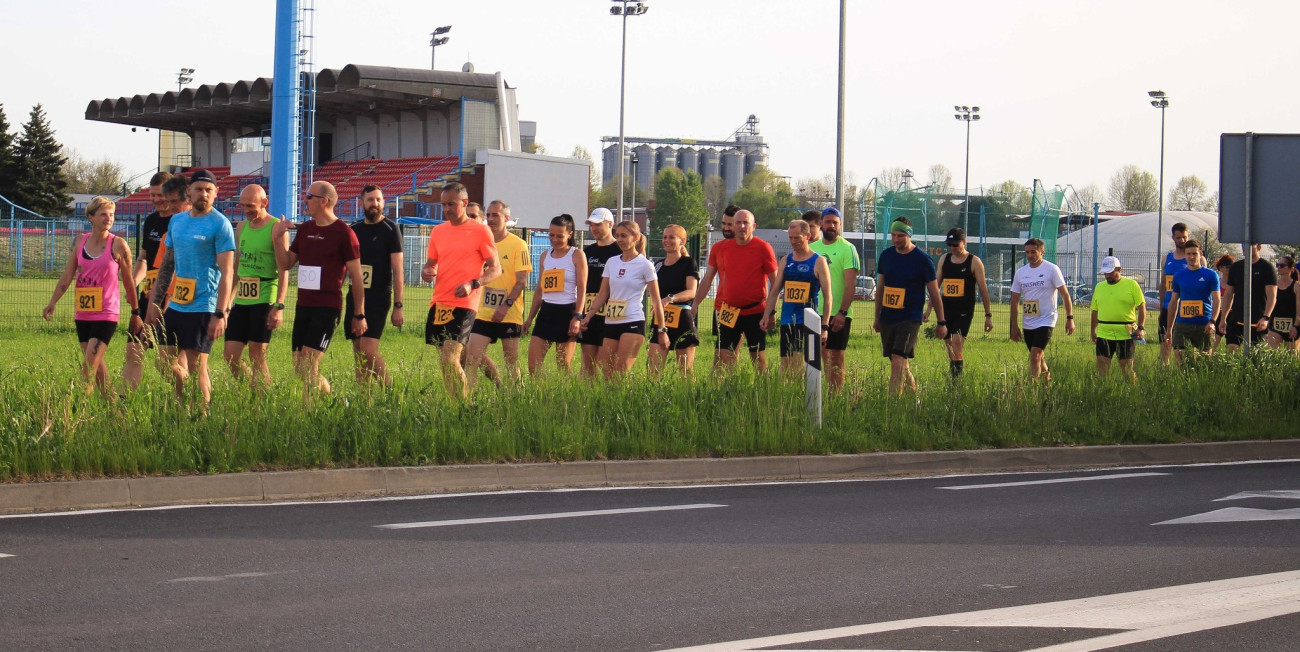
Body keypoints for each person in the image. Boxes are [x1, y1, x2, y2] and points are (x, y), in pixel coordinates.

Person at [145, 169, 236, 406]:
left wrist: (221, 313)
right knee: (163, 362)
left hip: (204, 305)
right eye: (199, 189)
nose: (203, 194)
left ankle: (201, 413)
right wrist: (156, 303)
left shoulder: (220, 224)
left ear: (216, 194)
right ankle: (186, 402)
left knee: (197, 366)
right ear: (189, 191)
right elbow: (167, 265)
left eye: (209, 190)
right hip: (177, 304)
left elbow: (228, 273)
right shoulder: (177, 221)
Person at [272, 180, 368, 398]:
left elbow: (356, 277)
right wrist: (277, 239)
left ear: (324, 201)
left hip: (327, 307)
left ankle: (309, 414)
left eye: (308, 196)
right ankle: (328, 398)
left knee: (308, 364)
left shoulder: (344, 233)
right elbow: (286, 263)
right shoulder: (305, 229)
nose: (304, 200)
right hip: (303, 305)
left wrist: (359, 314)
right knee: (300, 368)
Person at [43, 197, 141, 397]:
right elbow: (68, 274)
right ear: (91, 217)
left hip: (106, 313)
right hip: (84, 312)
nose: (108, 218)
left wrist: (135, 312)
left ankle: (78, 413)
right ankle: (115, 412)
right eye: (103, 214)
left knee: (88, 367)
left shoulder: (119, 245)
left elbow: (129, 281)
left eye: (111, 215)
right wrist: (53, 301)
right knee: (98, 369)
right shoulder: (80, 241)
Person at [420, 182, 501, 398]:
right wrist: (427, 271)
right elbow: (431, 264)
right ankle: (456, 403)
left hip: (465, 303)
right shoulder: (438, 231)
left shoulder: (481, 231)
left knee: (450, 358)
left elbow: (496, 269)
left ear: (464, 203)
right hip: (439, 302)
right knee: (449, 362)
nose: (446, 209)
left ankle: (464, 408)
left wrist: (473, 283)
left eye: (451, 204)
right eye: (443, 204)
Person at [580, 220, 668, 378]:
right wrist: (588, 316)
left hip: (633, 322)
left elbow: (656, 300)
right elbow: (602, 294)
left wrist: (662, 330)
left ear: (635, 237)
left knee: (620, 372)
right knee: (606, 372)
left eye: (623, 236)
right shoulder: (611, 262)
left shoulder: (645, 265)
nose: (619, 239)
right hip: (611, 322)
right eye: (617, 235)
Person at [694, 209, 777, 372]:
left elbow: (776, 282)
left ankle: (764, 394)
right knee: (723, 356)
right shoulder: (723, 248)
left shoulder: (763, 248)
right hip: (729, 311)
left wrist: (770, 312)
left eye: (746, 223)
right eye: (738, 223)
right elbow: (707, 279)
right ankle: (731, 392)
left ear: (754, 226)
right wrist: (695, 303)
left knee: (758, 360)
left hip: (755, 312)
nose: (741, 226)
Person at [222, 184, 288, 389]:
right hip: (242, 300)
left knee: (256, 355)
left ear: (264, 203)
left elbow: (284, 269)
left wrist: (279, 306)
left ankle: (260, 400)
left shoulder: (276, 227)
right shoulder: (241, 227)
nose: (246, 210)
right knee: (230, 356)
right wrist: (227, 303)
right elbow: (236, 267)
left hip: (265, 298)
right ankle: (253, 388)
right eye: (243, 206)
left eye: (251, 206)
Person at [874, 217, 947, 394]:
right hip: (888, 316)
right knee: (898, 361)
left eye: (900, 235)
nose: (896, 239)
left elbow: (934, 292)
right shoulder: (886, 256)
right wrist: (877, 317)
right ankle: (914, 400)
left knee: (899, 358)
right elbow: (881, 288)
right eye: (893, 235)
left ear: (909, 235)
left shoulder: (922, 259)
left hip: (910, 317)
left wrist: (941, 321)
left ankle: (893, 405)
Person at [465, 200, 531, 387]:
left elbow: (521, 281)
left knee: (511, 362)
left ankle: (515, 399)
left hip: (509, 314)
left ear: (507, 218)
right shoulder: (481, 243)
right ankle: (468, 402)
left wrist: (506, 305)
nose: (492, 219)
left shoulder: (518, 245)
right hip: (483, 313)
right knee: (472, 359)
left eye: (496, 215)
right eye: (489, 215)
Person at [346, 185, 405, 385]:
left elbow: (398, 271)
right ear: (362, 202)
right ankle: (364, 401)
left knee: (368, 350)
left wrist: (398, 305)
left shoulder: (391, 229)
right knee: (358, 353)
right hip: (354, 297)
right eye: (371, 200)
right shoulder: (353, 229)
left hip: (378, 297)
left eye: (379, 200)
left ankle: (392, 392)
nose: (375, 204)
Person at [761, 220, 832, 379]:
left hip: (808, 322)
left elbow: (828, 296)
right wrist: (767, 314)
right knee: (785, 365)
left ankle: (803, 400)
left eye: (797, 238)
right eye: (791, 238)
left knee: (799, 367)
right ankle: (786, 400)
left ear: (807, 236)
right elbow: (774, 291)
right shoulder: (786, 260)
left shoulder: (818, 261)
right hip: (787, 321)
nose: (793, 242)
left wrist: (825, 325)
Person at [122, 171, 173, 390]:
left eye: (160, 195)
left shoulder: (180, 220)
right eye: (152, 195)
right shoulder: (151, 220)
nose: (156, 200)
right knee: (133, 350)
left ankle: (187, 399)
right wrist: (133, 283)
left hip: (172, 296)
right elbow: (144, 258)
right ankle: (124, 401)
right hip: (147, 295)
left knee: (167, 360)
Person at [924, 227, 993, 378]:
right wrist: (929, 309)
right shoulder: (944, 259)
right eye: (950, 244)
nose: (952, 247)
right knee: (950, 348)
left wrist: (988, 316)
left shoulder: (974, 261)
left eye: (956, 244)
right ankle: (954, 379)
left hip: (964, 310)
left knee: (957, 345)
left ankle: (956, 383)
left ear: (964, 242)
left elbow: (983, 290)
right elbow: (936, 287)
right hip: (946, 310)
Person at [523, 214, 586, 375]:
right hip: (546, 313)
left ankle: (566, 398)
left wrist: (577, 317)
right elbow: (539, 291)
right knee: (533, 366)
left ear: (570, 235)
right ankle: (540, 397)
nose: (554, 239)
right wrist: (530, 318)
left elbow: (582, 288)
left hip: (567, 313)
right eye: (551, 235)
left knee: (563, 365)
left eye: (560, 236)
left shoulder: (577, 255)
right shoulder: (545, 256)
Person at [1009, 238, 1074, 383]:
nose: (1030, 255)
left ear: (1042, 252)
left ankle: (1032, 390)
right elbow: (1014, 301)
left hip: (1046, 319)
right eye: (1027, 252)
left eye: (1033, 252)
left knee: (1035, 356)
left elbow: (1065, 294)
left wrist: (1070, 318)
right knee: (1039, 356)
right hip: (1028, 321)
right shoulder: (1021, 273)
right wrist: (1014, 326)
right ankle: (1047, 386)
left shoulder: (1051, 269)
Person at [809, 207, 860, 390]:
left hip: (838, 313)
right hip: (814, 312)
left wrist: (842, 312)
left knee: (836, 357)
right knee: (820, 355)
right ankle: (820, 397)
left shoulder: (848, 249)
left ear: (840, 225)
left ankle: (835, 397)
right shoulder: (812, 249)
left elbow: (850, 285)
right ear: (821, 223)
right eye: (828, 221)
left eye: (835, 223)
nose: (831, 226)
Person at [647, 224, 700, 375]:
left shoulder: (688, 263)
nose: (667, 240)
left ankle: (688, 398)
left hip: (682, 318)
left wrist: (670, 299)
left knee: (685, 373)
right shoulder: (657, 265)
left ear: (682, 240)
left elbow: (691, 291)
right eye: (664, 237)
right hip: (660, 320)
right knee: (653, 371)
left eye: (671, 237)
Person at [578, 207, 623, 377]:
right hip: (590, 313)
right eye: (591, 225)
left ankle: (607, 398)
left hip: (612, 314)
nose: (594, 228)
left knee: (607, 365)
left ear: (610, 224)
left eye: (598, 224)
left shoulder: (619, 250)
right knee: (587, 362)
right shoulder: (587, 252)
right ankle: (587, 399)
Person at [1088, 256, 1146, 381]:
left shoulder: (1132, 285)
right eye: (1105, 273)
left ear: (1119, 269)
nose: (1107, 276)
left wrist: (1140, 327)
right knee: (1102, 369)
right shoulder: (1099, 287)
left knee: (1126, 368)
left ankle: (1132, 392)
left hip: (1125, 333)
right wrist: (1093, 331)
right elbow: (1094, 311)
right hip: (1104, 333)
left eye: (1110, 272)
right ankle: (1102, 393)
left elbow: (1141, 307)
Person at [1166, 240, 1221, 361]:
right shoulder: (1179, 275)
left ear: (1200, 254)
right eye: (1188, 254)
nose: (1191, 257)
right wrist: (1169, 328)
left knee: (1204, 362)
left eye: (1194, 254)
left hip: (1204, 324)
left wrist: (1212, 321)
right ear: (1185, 255)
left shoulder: (1211, 275)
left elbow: (1217, 300)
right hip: (1183, 324)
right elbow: (1174, 302)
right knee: (1180, 357)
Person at [1217, 244, 1277, 353]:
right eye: (1243, 244)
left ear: (1259, 247)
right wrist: (1223, 318)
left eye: (1249, 245)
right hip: (1237, 319)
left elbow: (1272, 296)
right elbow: (1228, 294)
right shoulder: (1236, 267)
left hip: (1257, 321)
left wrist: (1266, 317)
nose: (1245, 247)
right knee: (1231, 352)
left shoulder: (1266, 267)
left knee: (1255, 358)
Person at [1157, 222, 1191, 364]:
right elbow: (1163, 284)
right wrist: (1161, 307)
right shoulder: (1167, 259)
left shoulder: (1195, 259)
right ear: (1173, 238)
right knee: (1165, 342)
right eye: (1178, 237)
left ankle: (1182, 373)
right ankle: (1164, 372)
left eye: (1184, 237)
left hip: (1185, 308)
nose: (1182, 240)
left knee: (1182, 347)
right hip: (1167, 307)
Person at [1265, 255, 1299, 352]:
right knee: (1272, 354)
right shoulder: (1273, 285)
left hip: (1292, 325)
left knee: (1292, 357)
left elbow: (1299, 308)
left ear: (1291, 269)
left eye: (1282, 265)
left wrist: (1296, 326)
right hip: (1275, 324)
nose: (1279, 267)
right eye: (1277, 265)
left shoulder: (1297, 286)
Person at [1212, 254, 1235, 351]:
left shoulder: (1236, 283)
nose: (1229, 268)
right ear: (1220, 267)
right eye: (1227, 266)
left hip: (1232, 315)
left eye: (1231, 266)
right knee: (1213, 343)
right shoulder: (1216, 282)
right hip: (1218, 314)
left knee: (1231, 344)